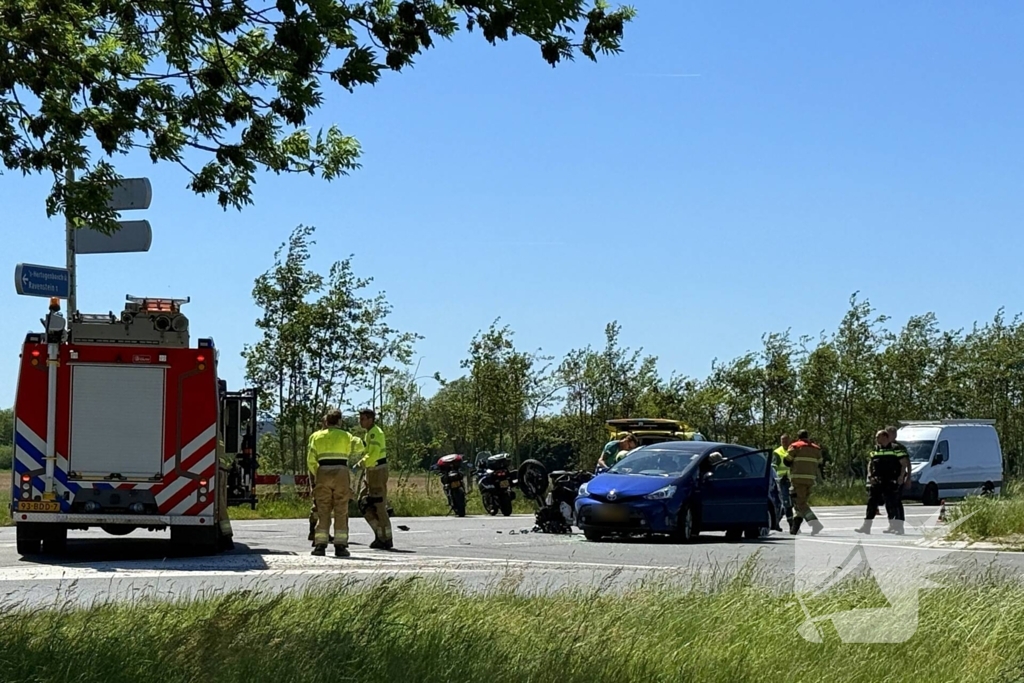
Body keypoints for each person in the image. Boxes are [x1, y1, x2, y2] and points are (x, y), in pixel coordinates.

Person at [307, 409, 354, 557]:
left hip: (323, 471)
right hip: (341, 471)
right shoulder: (347, 436)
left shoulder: (316, 436)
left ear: (326, 421)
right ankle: (340, 546)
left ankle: (320, 545)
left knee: (323, 509)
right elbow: (359, 447)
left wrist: (317, 475)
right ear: (339, 421)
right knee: (341, 509)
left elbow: (310, 460)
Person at [354, 408, 393, 550]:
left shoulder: (375, 433)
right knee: (364, 503)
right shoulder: (369, 433)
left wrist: (361, 464)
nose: (360, 421)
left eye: (363, 418)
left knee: (378, 505)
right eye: (360, 418)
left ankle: (386, 538)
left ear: (371, 419)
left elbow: (374, 454)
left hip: (377, 470)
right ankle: (380, 534)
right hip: (371, 471)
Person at [856, 430, 906, 535]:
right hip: (877, 480)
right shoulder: (875, 449)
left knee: (892, 504)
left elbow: (903, 463)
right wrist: (870, 475)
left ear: (885, 437)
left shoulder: (896, 449)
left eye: (878, 437)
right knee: (871, 503)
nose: (876, 439)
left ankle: (897, 527)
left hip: (891, 480)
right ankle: (866, 526)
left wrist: (902, 476)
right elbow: (870, 463)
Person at [784, 429, 824, 535]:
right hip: (810, 480)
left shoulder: (795, 446)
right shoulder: (816, 448)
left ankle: (815, 524)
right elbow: (820, 463)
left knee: (800, 503)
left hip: (797, 480)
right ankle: (795, 528)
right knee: (800, 504)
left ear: (798, 436)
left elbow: (787, 461)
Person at [773, 434, 794, 528]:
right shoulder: (777, 452)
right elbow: (773, 466)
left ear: (790, 441)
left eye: (786, 440)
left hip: (793, 479)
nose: (784, 442)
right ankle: (791, 524)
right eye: (782, 441)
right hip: (782, 480)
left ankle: (777, 522)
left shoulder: (793, 450)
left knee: (792, 503)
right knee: (786, 502)